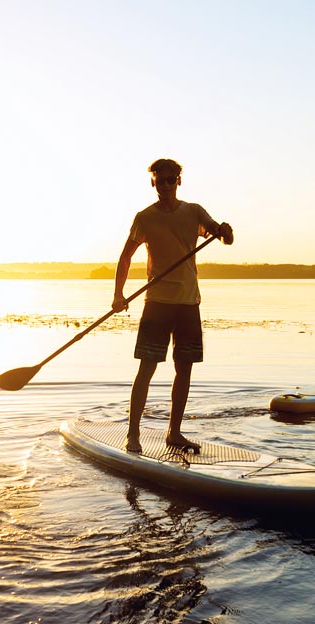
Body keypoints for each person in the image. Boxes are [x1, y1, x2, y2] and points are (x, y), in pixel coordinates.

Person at [113, 158, 234, 453]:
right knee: (147, 368)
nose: (166, 185)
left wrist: (226, 231)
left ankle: (174, 432)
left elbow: (224, 238)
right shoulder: (144, 218)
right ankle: (133, 435)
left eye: (171, 179)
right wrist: (119, 294)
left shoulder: (194, 212)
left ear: (179, 181)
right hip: (157, 303)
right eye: (160, 179)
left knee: (185, 369)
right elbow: (126, 256)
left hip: (188, 302)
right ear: (152, 182)